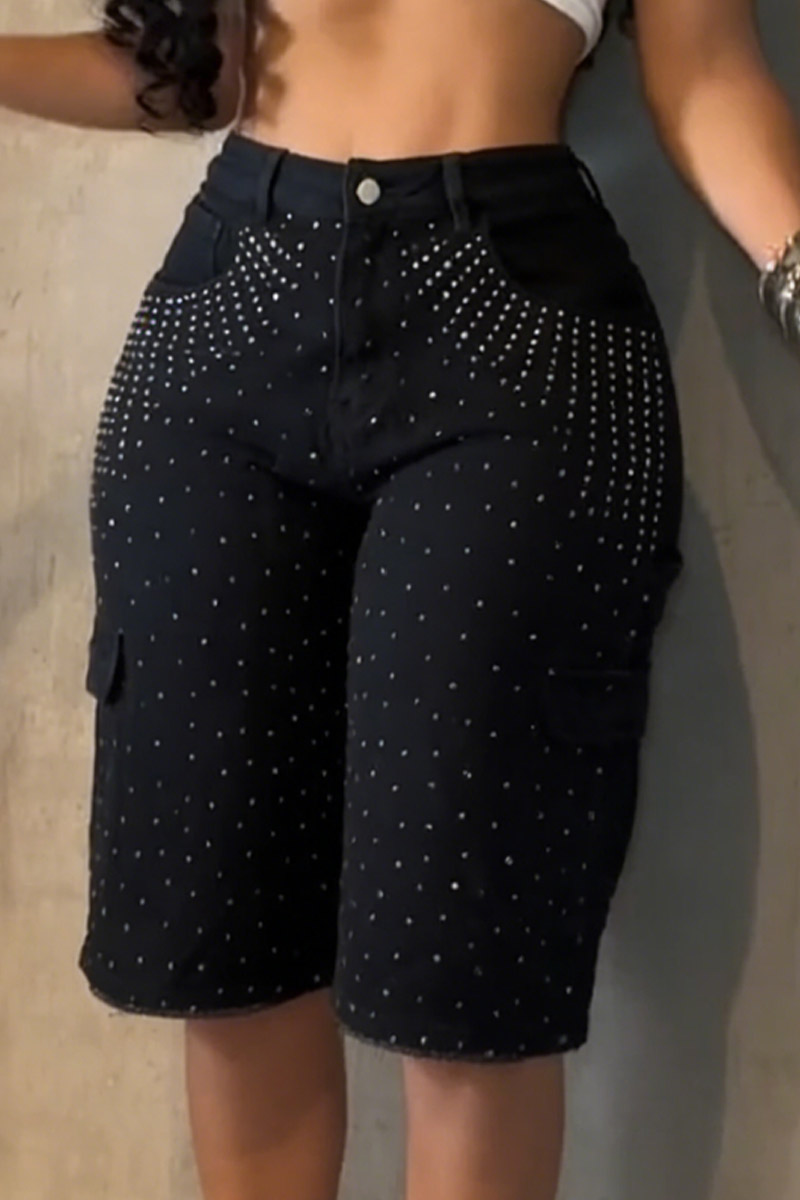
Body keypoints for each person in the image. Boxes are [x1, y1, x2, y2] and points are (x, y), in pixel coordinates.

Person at [3, 2, 800, 1198]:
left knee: (464, 982)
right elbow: (198, 74)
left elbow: (701, 74)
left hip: (512, 333)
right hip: (228, 310)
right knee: (229, 956)